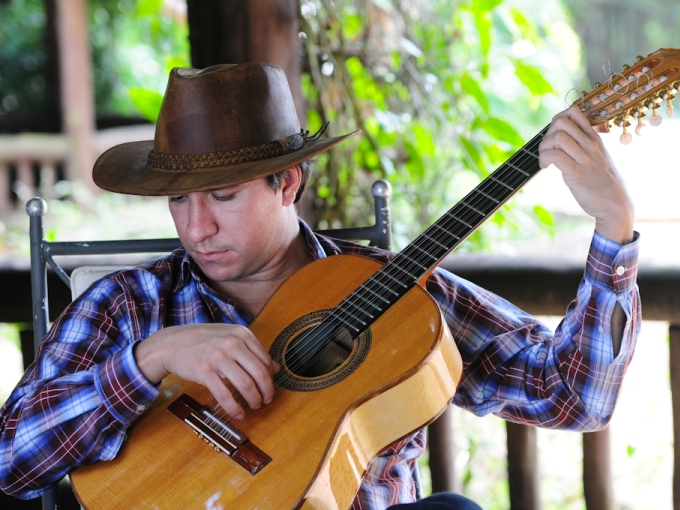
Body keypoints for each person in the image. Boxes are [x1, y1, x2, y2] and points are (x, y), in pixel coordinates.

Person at [0, 62, 639, 509]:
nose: (196, 227)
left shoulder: (393, 291)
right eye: (179, 201)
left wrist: (614, 226)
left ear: (288, 182)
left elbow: (573, 397)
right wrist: (149, 360)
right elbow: (10, 460)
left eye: (222, 196)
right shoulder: (131, 304)